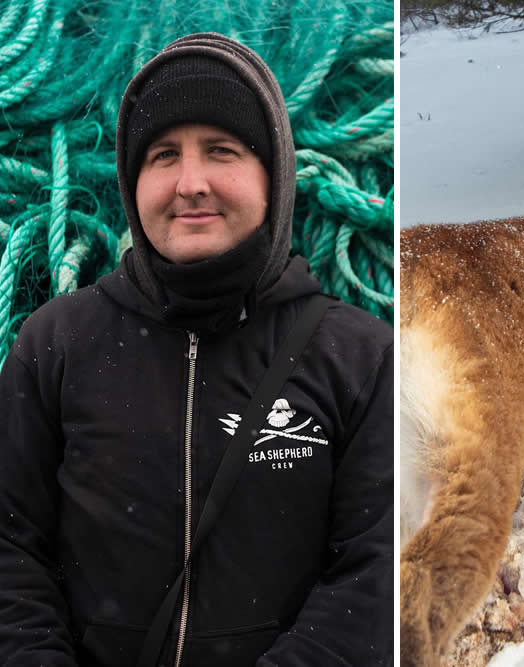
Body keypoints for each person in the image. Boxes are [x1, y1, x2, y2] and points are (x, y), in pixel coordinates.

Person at [0, 33, 392, 666]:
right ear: (134, 183)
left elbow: (374, 573)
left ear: (274, 176)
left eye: (221, 151)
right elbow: (11, 547)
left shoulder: (360, 357)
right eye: (162, 156)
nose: (190, 183)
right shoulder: (55, 344)